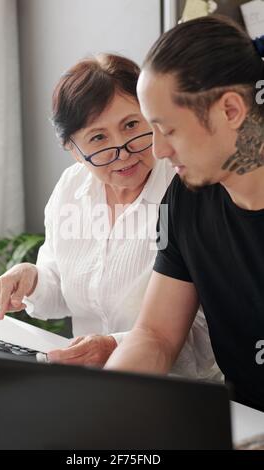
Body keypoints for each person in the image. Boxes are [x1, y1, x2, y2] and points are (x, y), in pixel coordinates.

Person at [0, 53, 218, 379]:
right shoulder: (72, 188)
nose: (122, 150)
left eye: (131, 125)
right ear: (72, 149)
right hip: (91, 386)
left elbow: (207, 328)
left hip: (178, 392)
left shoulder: (186, 188)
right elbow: (61, 287)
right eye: (98, 138)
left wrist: (116, 346)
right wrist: (33, 279)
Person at [105, 16, 264, 411]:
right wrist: (102, 405)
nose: (157, 150)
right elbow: (156, 334)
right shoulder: (186, 200)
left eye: (168, 130)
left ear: (230, 110)